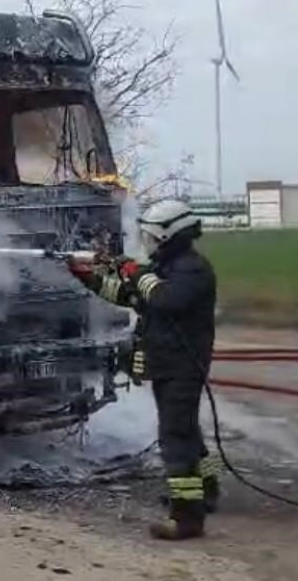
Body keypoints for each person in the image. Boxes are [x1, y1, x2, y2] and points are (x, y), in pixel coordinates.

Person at [68, 199, 218, 540]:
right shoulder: (167, 268)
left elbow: (164, 299)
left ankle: (186, 517)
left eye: (151, 235)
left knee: (175, 437)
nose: (147, 241)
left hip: (182, 366)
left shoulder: (191, 270)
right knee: (187, 431)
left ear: (168, 235)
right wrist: (87, 279)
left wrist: (137, 271)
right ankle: (205, 490)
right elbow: (129, 296)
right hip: (169, 365)